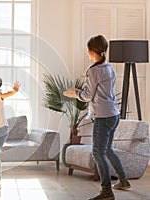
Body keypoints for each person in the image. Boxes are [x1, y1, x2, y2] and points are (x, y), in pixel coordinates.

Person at [63, 35, 131, 200]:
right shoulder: (109, 67)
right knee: (107, 149)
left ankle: (106, 190)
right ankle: (123, 180)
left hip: (103, 116)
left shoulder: (94, 70)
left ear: (92, 50)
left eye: (88, 49)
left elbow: (88, 95)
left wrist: (74, 93)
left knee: (97, 152)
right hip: (113, 114)